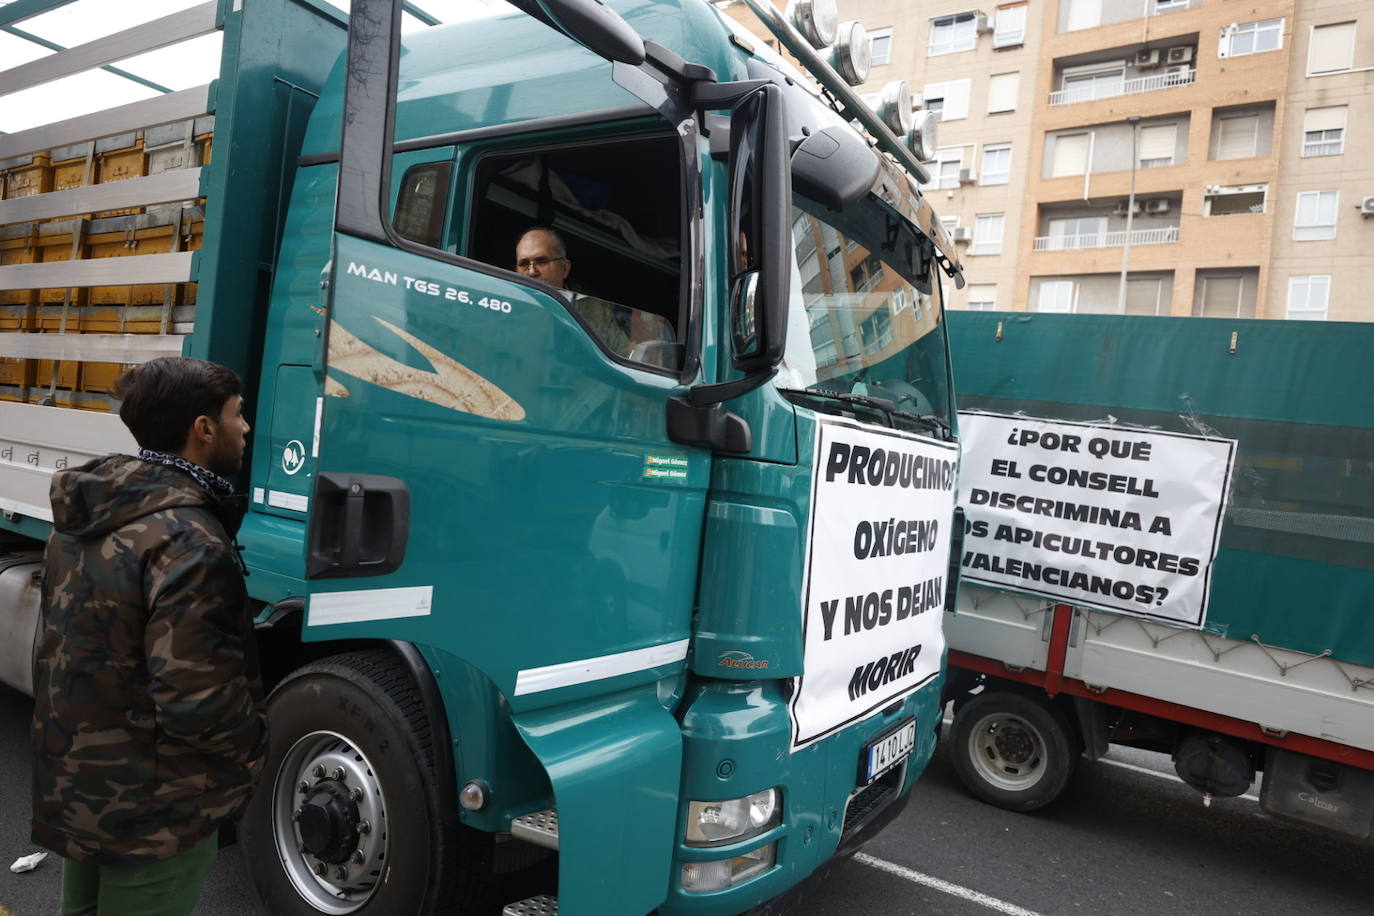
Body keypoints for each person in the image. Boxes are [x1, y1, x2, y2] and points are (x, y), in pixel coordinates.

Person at [31, 356, 268, 916]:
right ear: (203, 429)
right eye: (239, 414)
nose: (247, 428)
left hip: (83, 781)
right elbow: (196, 700)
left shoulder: (90, 510)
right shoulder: (191, 540)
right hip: (156, 805)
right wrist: (254, 750)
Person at [514, 226, 674, 362]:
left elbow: (624, 357)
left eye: (541, 261)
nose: (532, 271)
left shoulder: (592, 310)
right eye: (524, 264)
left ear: (564, 268)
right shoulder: (503, 306)